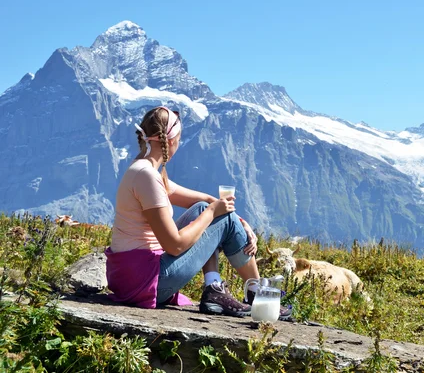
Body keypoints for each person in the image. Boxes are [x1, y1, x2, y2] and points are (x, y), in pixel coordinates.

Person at [105, 106, 291, 319]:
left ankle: (215, 287)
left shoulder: (143, 170)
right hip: (146, 282)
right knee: (211, 215)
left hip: (130, 278)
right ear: (171, 140)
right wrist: (214, 213)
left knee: (205, 211)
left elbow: (207, 201)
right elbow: (174, 245)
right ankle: (257, 294)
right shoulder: (147, 177)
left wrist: (239, 221)